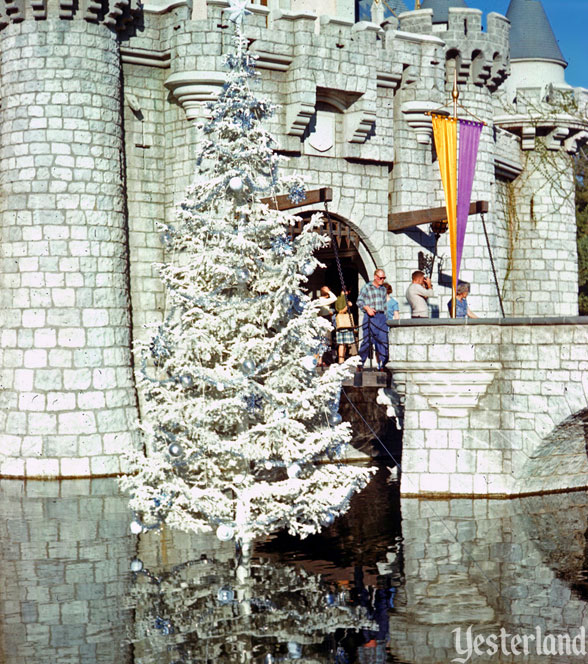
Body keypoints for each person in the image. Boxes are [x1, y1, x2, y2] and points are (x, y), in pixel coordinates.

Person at [356, 269, 388, 370]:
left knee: (383, 341)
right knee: (367, 341)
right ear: (375, 277)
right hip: (370, 317)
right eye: (380, 278)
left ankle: (383, 365)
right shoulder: (367, 287)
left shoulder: (383, 289)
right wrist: (367, 308)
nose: (382, 280)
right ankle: (360, 363)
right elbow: (359, 301)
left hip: (381, 317)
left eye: (384, 278)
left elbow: (384, 304)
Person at [313, 286, 337, 366]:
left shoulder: (320, 301)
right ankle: (319, 360)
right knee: (323, 341)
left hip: (324, 319)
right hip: (324, 321)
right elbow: (334, 298)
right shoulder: (322, 300)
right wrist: (328, 291)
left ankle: (321, 359)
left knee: (323, 341)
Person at [334, 289, 357, 363]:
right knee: (342, 343)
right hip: (342, 323)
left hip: (344, 324)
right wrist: (348, 306)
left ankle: (342, 359)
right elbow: (340, 310)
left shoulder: (342, 297)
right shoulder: (341, 298)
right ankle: (341, 360)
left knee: (344, 344)